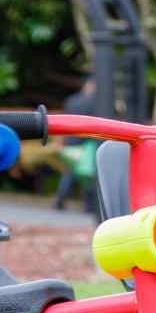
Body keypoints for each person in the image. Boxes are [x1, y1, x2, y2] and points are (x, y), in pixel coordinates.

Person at [52, 78, 97, 214]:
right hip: (86, 144)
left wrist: (60, 141)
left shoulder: (71, 100)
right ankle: (89, 206)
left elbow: (64, 121)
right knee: (87, 176)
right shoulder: (95, 103)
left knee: (69, 173)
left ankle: (59, 200)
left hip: (69, 142)